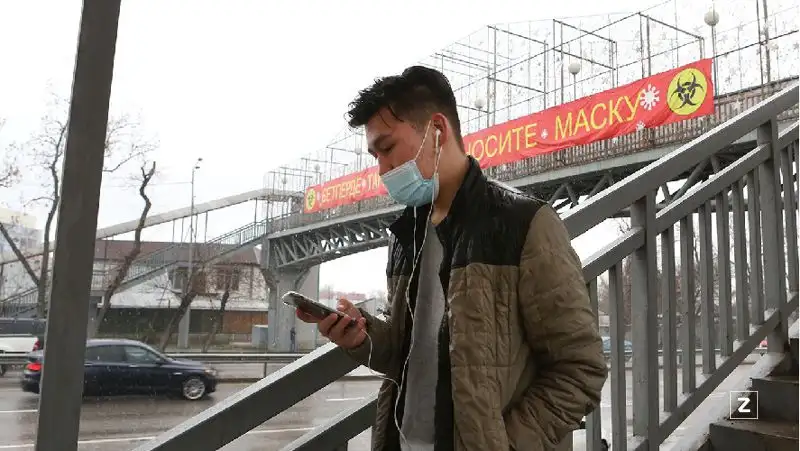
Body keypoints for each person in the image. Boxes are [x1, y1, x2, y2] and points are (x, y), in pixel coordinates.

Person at [296, 65, 607, 451]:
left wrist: (503, 445)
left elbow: (580, 368)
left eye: (387, 148)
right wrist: (363, 337)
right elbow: (412, 354)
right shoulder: (406, 234)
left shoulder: (524, 223)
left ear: (437, 131)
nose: (382, 170)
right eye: (375, 156)